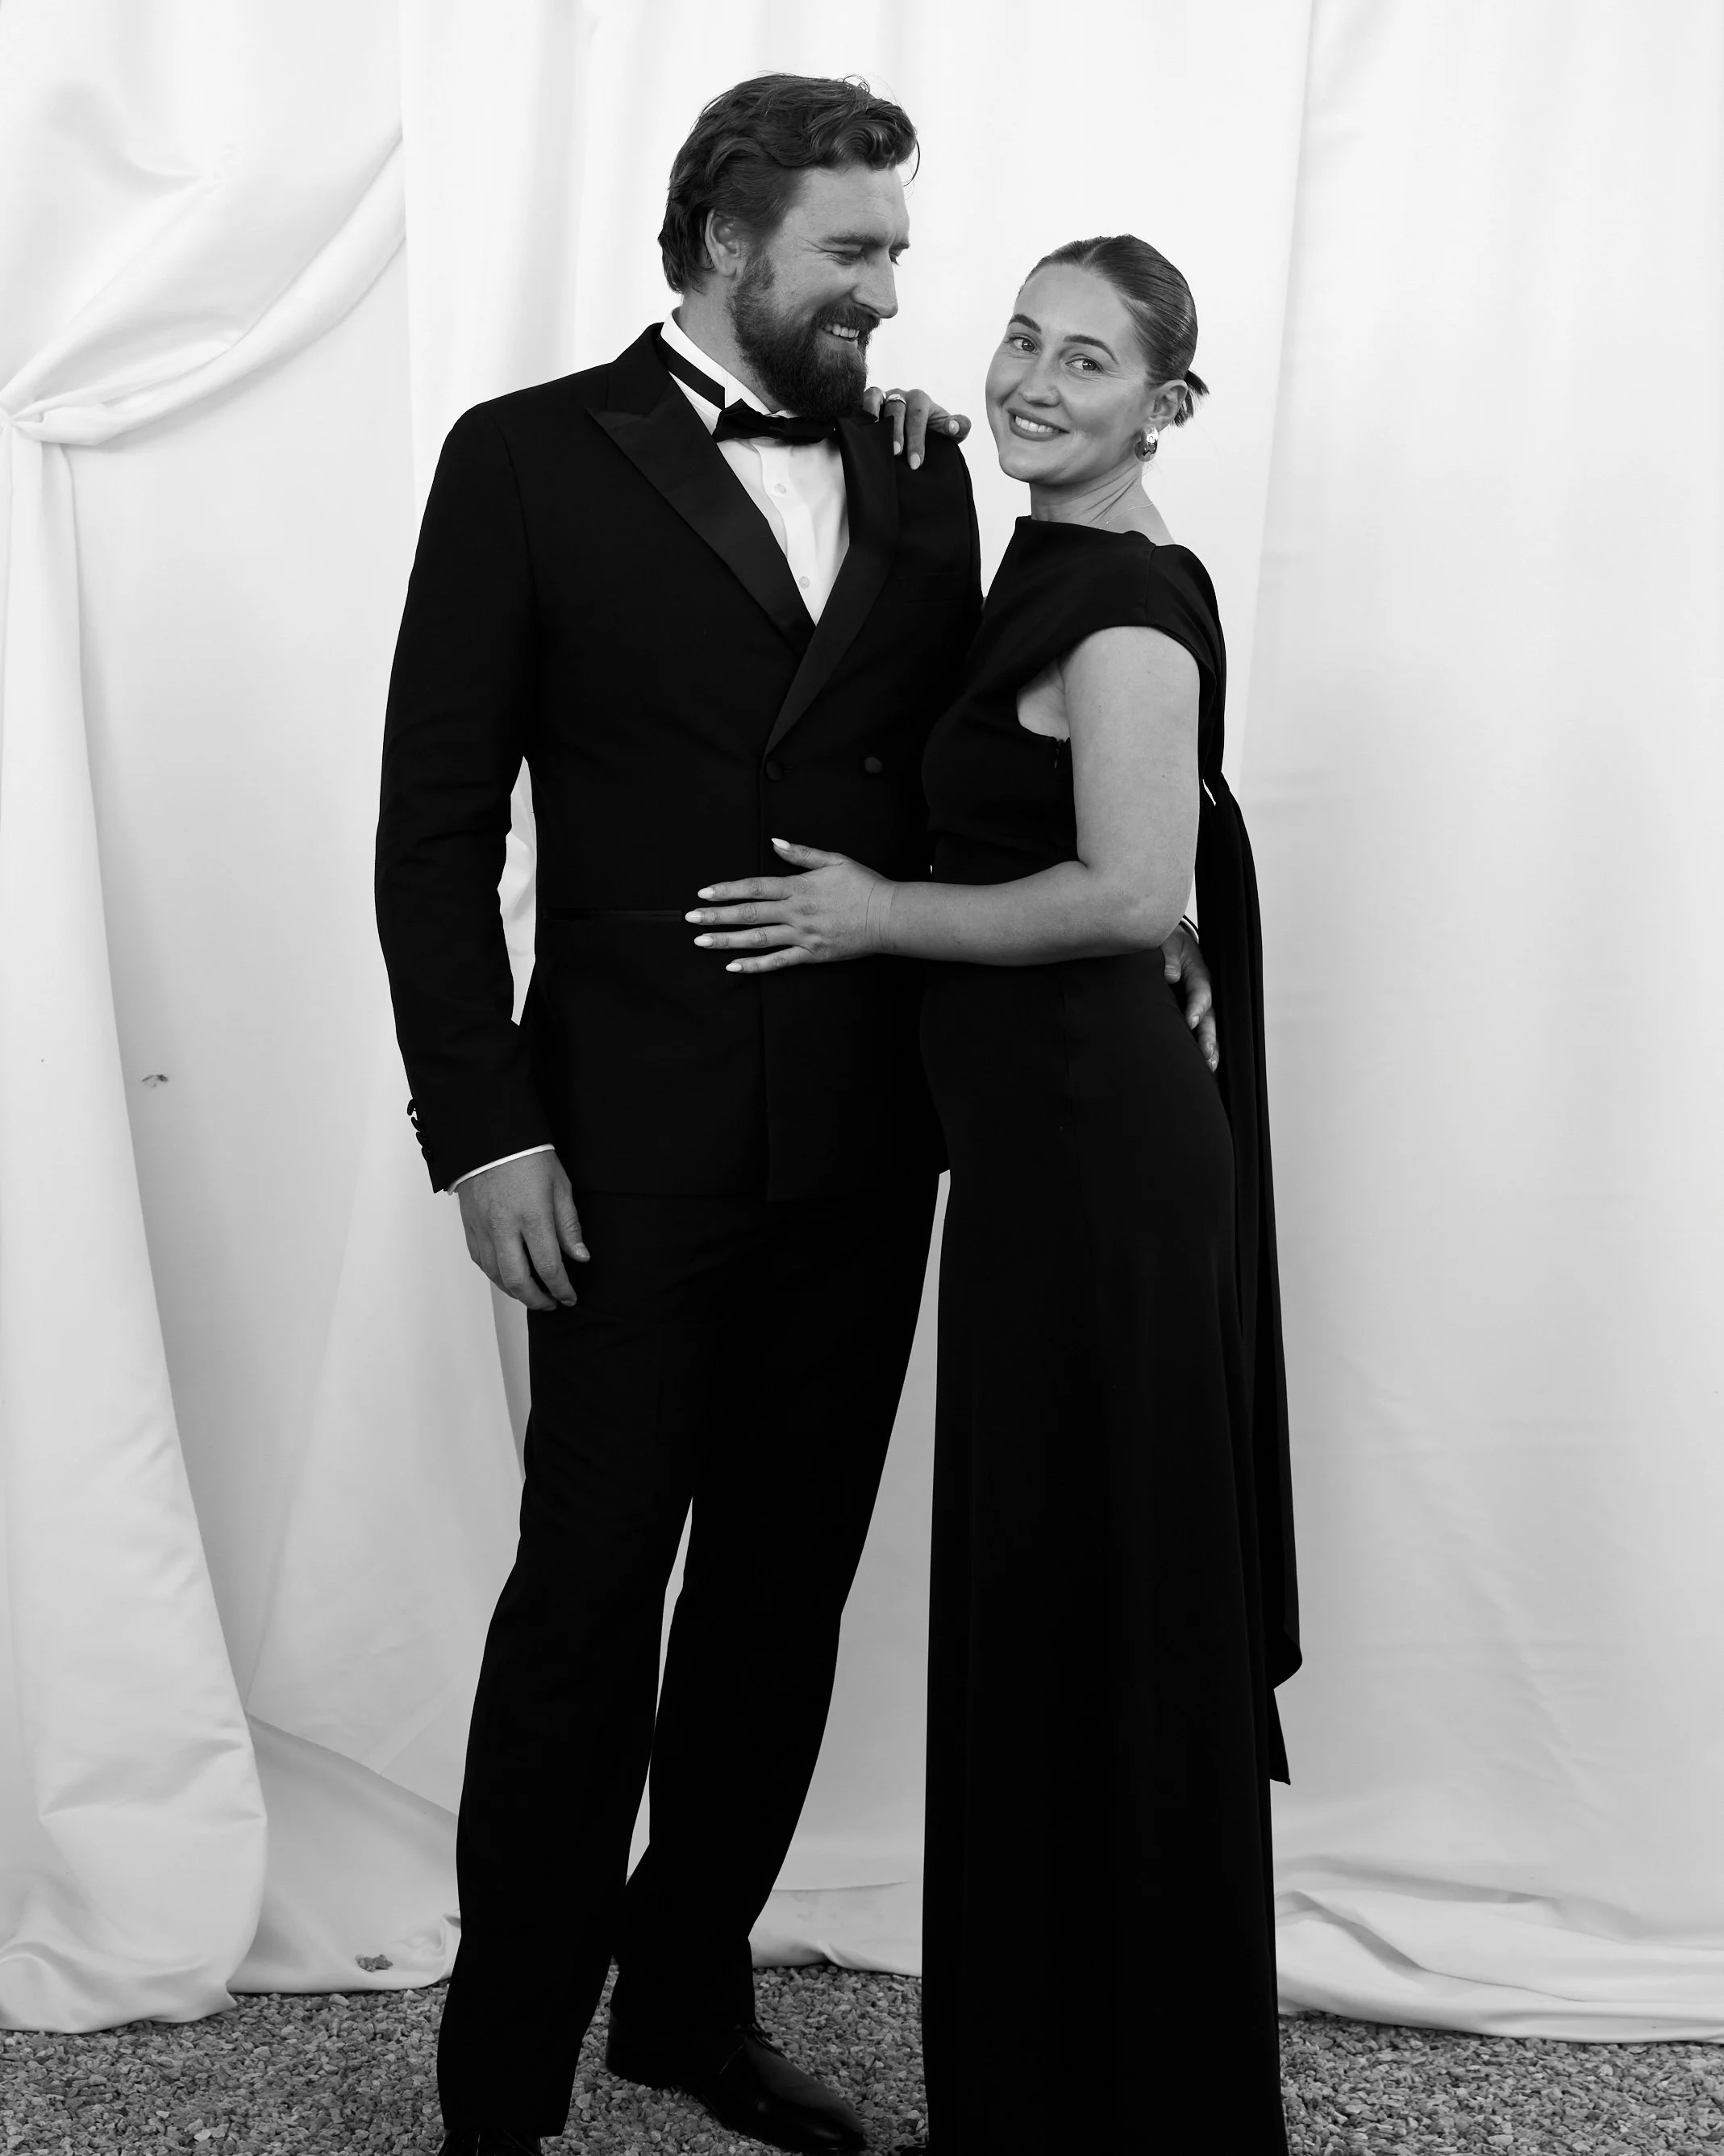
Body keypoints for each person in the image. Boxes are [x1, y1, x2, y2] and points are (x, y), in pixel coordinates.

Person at [377, 74, 1224, 2156]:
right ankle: (496, 2086)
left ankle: (683, 2003)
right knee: (581, 1611)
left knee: (777, 1609)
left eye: (897, 259)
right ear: (728, 245)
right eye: (854, 255)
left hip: (866, 1156)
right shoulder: (517, 463)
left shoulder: (925, 475)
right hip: (620, 1157)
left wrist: (1164, 929)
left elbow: (1026, 758)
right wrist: (483, 1130)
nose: (889, 296)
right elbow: (429, 827)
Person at [689, 236, 1298, 2151]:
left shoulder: (1118, 607)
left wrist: (877, 914)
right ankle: (1053, 2084)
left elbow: (1124, 887)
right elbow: (1148, 868)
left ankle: (1134, 2097)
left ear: (1165, 407)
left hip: (1098, 1180)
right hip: (1041, 1166)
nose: (1038, 377)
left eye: (1090, 359)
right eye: (1023, 337)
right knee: (1052, 1614)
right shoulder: (1037, 560)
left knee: (1099, 1616)